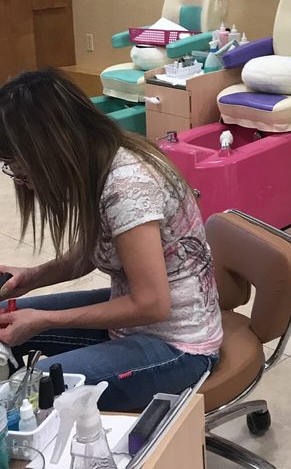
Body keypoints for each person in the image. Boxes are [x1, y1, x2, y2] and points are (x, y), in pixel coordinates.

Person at [0, 69, 222, 411]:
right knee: (5, 319)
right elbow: (97, 251)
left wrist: (44, 319)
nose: (19, 177)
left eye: (18, 166)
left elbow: (152, 305)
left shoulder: (128, 186)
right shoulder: (97, 163)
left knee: (27, 391)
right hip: (133, 325)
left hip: (180, 347)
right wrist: (30, 278)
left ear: (49, 148)